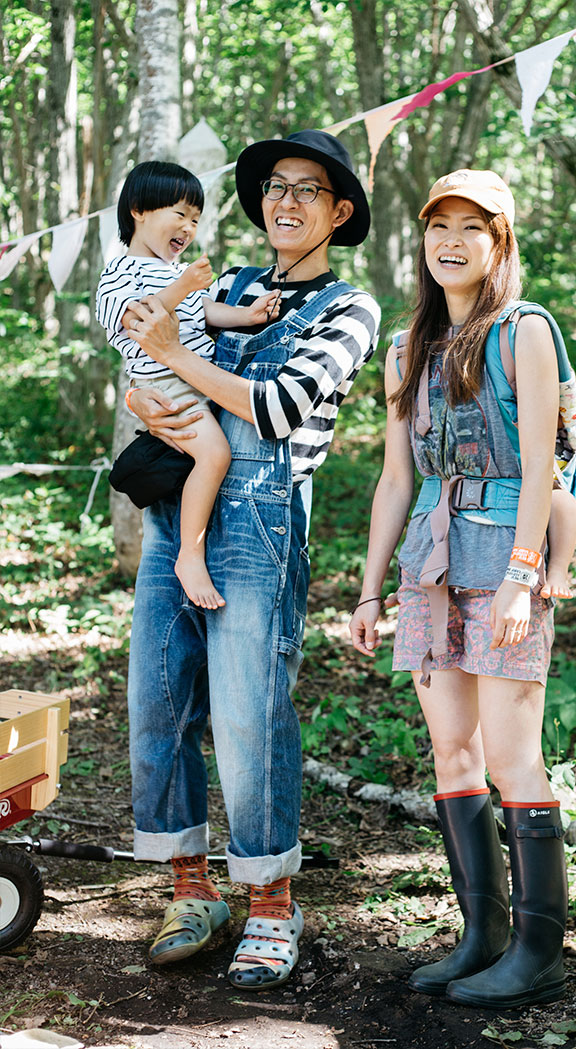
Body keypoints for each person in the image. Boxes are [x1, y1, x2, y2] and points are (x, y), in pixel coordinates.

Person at [120, 131, 379, 990]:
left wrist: (173, 356)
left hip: (263, 524)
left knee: (247, 715)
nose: (286, 201)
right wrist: (144, 393)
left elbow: (275, 407)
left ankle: (271, 899)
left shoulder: (350, 308)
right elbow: (142, 358)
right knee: (158, 702)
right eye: (275, 185)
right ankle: (191, 890)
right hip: (175, 513)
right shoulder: (224, 285)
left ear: (338, 214)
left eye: (308, 189)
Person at [350, 168, 570, 1009]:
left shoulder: (524, 331)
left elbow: (542, 463)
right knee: (453, 750)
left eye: (471, 227)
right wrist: (371, 590)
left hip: (504, 553)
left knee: (513, 755)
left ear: (499, 241)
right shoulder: (405, 348)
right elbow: (395, 477)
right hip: (430, 559)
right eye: (438, 225)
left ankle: (537, 950)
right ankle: (482, 935)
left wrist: (522, 576)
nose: (451, 240)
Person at [96, 161, 280, 609]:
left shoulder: (173, 270)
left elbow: (203, 311)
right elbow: (139, 319)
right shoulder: (120, 271)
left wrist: (247, 315)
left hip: (197, 375)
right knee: (215, 455)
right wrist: (183, 285)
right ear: (139, 210)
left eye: (195, 219)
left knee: (212, 454)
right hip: (166, 381)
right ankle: (189, 556)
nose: (188, 227)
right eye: (179, 214)